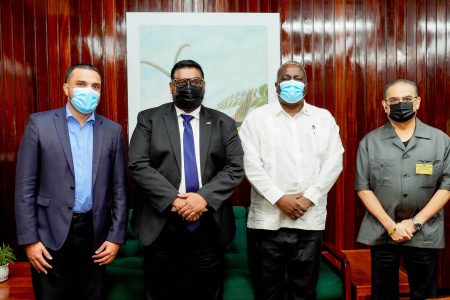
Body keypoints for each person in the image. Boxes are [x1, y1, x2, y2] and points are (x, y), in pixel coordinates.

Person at [128, 59, 244, 300]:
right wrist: (176, 201)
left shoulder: (224, 123)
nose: (189, 87)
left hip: (208, 223)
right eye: (182, 82)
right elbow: (138, 165)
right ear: (171, 87)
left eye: (195, 82)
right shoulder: (148, 119)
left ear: (204, 86)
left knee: (207, 291)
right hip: (161, 224)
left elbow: (235, 168)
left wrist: (202, 199)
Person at [15, 64, 128, 300]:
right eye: (81, 84)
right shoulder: (39, 124)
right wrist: (30, 240)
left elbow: (119, 190)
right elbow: (25, 187)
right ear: (66, 88)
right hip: (48, 235)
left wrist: (115, 237)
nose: (89, 91)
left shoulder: (113, 131)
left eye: (95, 86)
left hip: (95, 236)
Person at [239, 61, 344, 300]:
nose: (292, 82)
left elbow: (334, 161)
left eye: (298, 78)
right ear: (276, 86)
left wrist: (309, 198)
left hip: (309, 220)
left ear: (306, 87)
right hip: (267, 222)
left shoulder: (323, 118)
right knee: (267, 292)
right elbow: (250, 165)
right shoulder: (257, 118)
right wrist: (279, 199)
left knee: (304, 292)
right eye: (286, 78)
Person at [355, 79, 450, 300]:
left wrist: (415, 222)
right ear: (384, 105)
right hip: (383, 231)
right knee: (383, 292)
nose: (401, 104)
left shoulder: (441, 141)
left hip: (425, 230)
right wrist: (391, 226)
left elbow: (447, 186)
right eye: (394, 100)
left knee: (425, 292)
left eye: (407, 99)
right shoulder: (370, 142)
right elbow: (363, 187)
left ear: (417, 103)